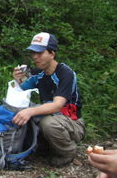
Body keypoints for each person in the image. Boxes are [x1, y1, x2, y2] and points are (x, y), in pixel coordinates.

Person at [12, 32, 85, 167]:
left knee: (47, 123)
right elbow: (21, 90)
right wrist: (18, 78)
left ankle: (68, 152)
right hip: (52, 117)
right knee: (21, 113)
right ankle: (44, 148)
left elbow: (57, 105)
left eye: (40, 53)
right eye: (33, 53)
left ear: (52, 53)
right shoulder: (38, 73)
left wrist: (29, 111)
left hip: (72, 122)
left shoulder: (65, 73)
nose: (35, 57)